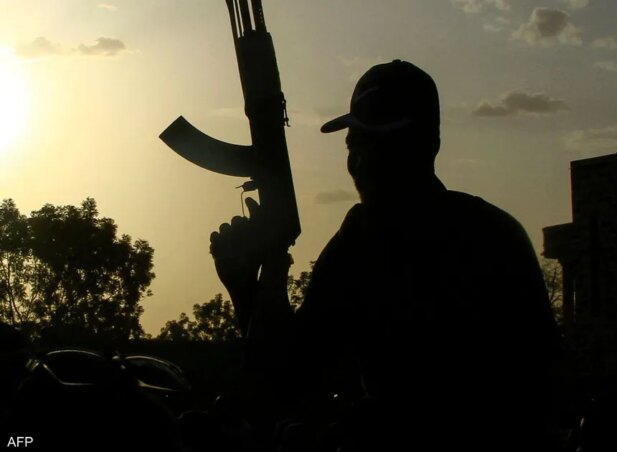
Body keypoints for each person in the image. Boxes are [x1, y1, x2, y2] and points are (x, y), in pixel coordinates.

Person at [210, 60, 561, 451]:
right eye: (355, 144)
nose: (361, 161)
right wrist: (252, 284)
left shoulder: (484, 241)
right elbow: (287, 378)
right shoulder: (363, 240)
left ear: (425, 146)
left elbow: (532, 394)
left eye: (381, 144)